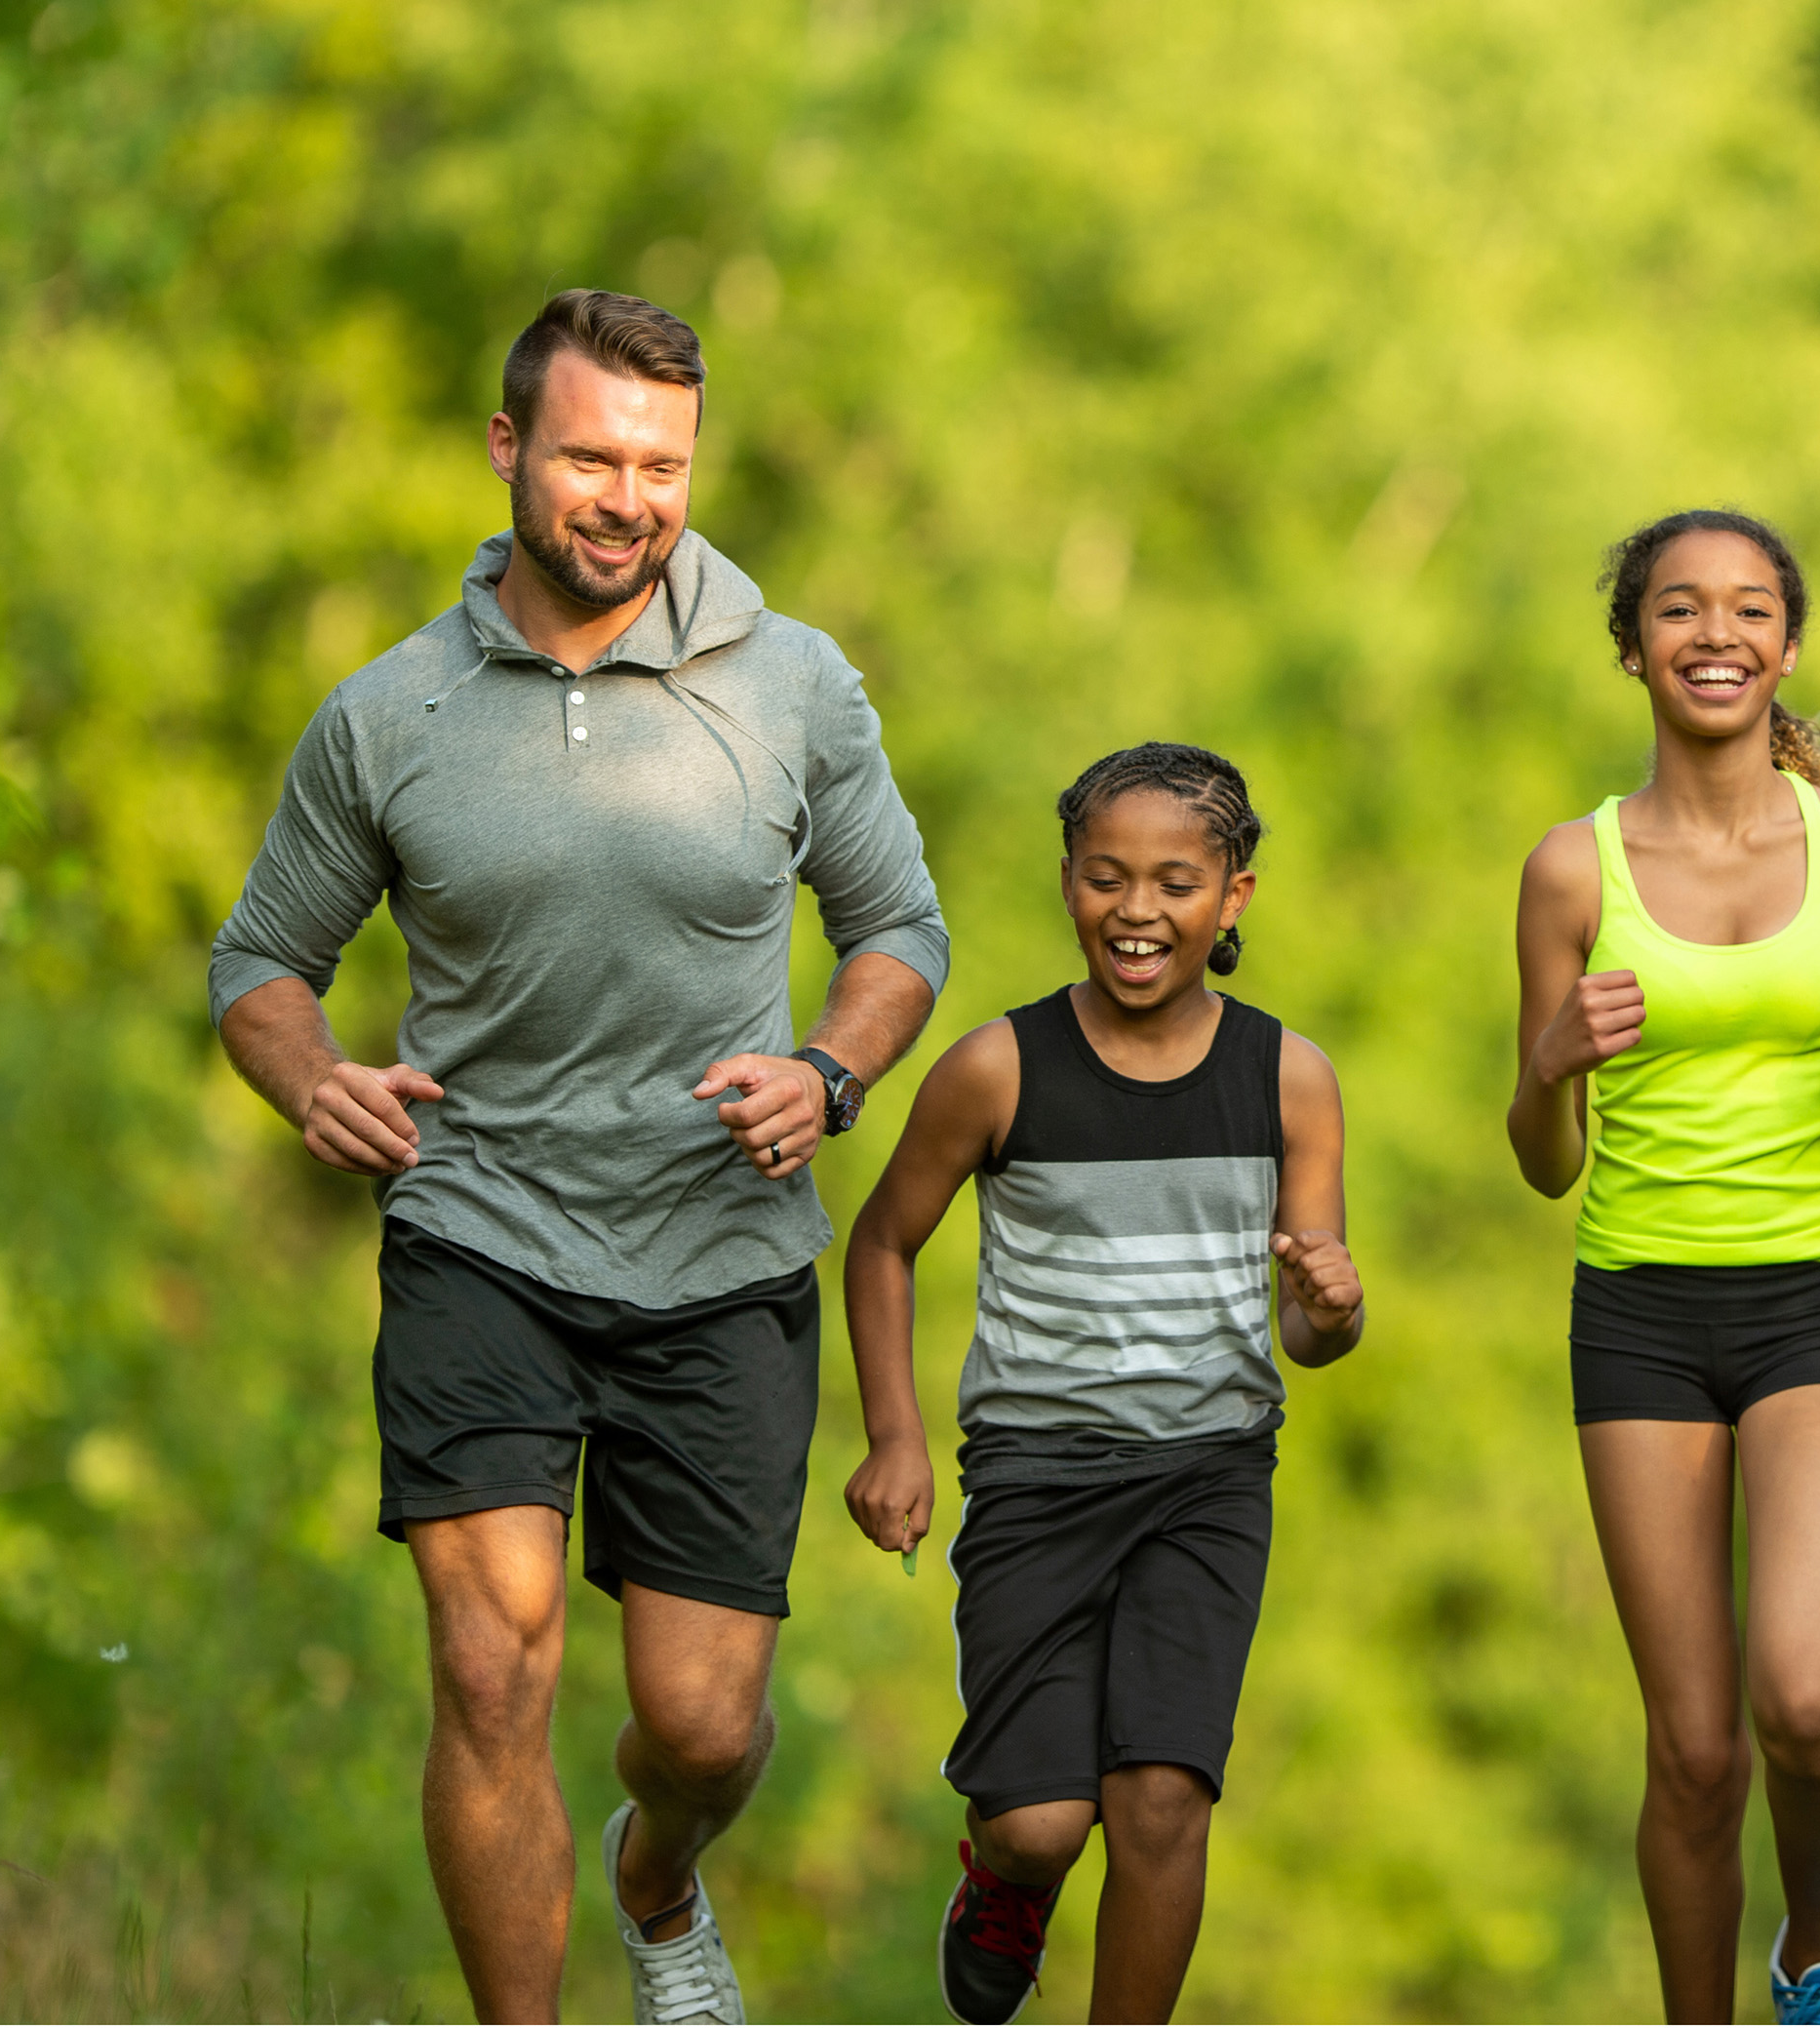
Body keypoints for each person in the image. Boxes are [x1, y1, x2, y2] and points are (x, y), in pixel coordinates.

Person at [208, 291, 948, 2024]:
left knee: (700, 1725)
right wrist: (311, 1078)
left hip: (723, 1251)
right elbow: (260, 964)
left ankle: (657, 1872)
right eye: (593, 458)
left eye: (663, 466)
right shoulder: (388, 715)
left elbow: (897, 924)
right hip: (480, 1229)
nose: (629, 497)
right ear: (507, 448)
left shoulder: (795, 682)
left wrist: (830, 1074)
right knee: (491, 1661)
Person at [841, 741, 1365, 2025]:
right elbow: (881, 1242)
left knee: (1163, 1799)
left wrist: (1329, 1310)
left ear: (1233, 897)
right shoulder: (998, 1068)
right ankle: (1005, 1885)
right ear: (1068, 883)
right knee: (1039, 1822)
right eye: (1106, 878)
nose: (1139, 911)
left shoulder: (1288, 1077)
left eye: (1177, 882)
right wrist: (894, 1439)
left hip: (1210, 1477)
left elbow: (1312, 1335)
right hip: (1037, 1477)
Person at [1506, 510, 1820, 2026]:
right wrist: (1550, 1065)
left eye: (1750, 609)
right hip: (1638, 1314)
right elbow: (1546, 1159)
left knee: (1804, 1699)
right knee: (1692, 1748)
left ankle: (1815, 1945)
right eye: (1680, 610)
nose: (1716, 634)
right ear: (1635, 647)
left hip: (1809, 1293)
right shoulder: (1572, 870)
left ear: (1789, 647)